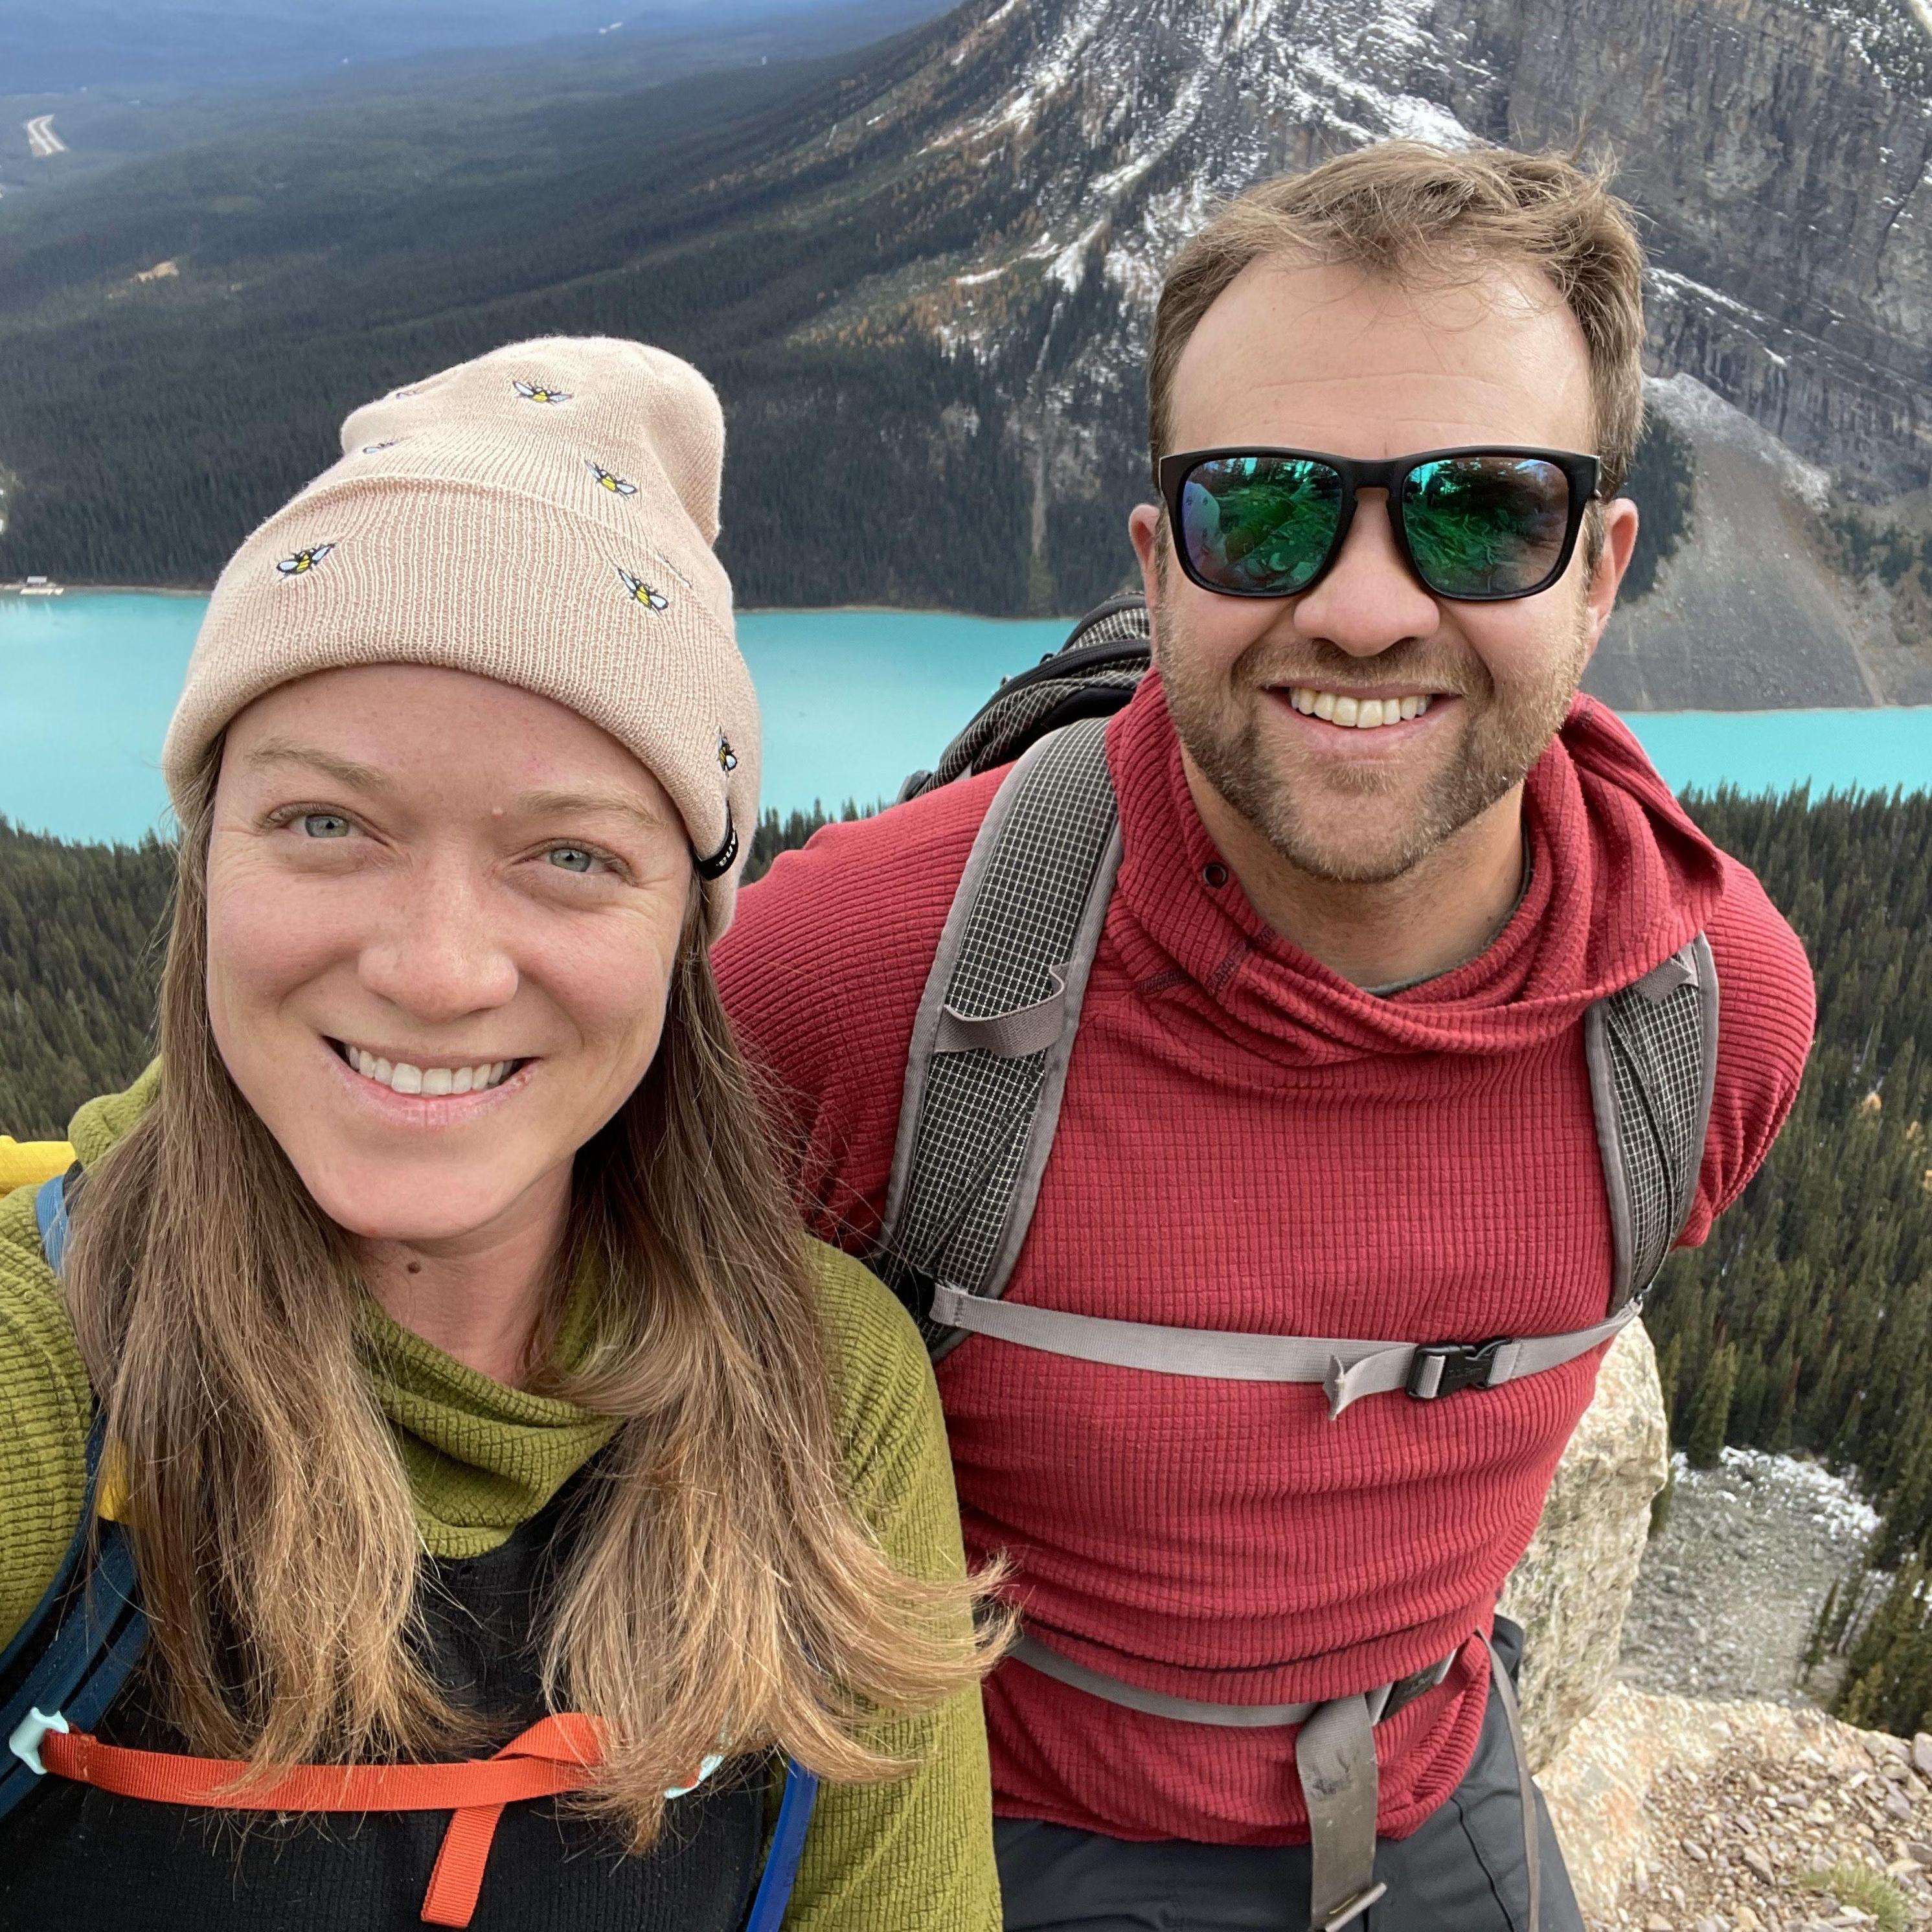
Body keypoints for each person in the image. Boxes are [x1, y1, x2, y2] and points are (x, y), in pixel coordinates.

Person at [713, 145, 1817, 1927]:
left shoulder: (1704, 1013)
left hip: (1428, 1787)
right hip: (951, 1822)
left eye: (1480, 512)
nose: (1366, 603)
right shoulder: (865, 972)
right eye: (1265, 510)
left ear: (1602, 569)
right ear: (1160, 568)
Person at [0, 337, 1003, 1930]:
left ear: (687, 929)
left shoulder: (826, 1391)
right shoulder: (42, 1355)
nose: (437, 967)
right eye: (326, 822)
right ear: (206, 868)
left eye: (572, 857)